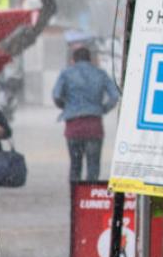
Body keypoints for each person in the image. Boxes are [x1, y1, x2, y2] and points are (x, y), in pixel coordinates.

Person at [52, 46, 121, 181]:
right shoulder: (100, 73)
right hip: (94, 127)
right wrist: (102, 109)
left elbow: (56, 96)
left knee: (75, 166)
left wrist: (67, 107)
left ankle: (75, 198)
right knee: (93, 167)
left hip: (74, 126)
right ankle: (89, 197)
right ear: (91, 59)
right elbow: (114, 96)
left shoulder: (66, 73)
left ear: (73, 60)